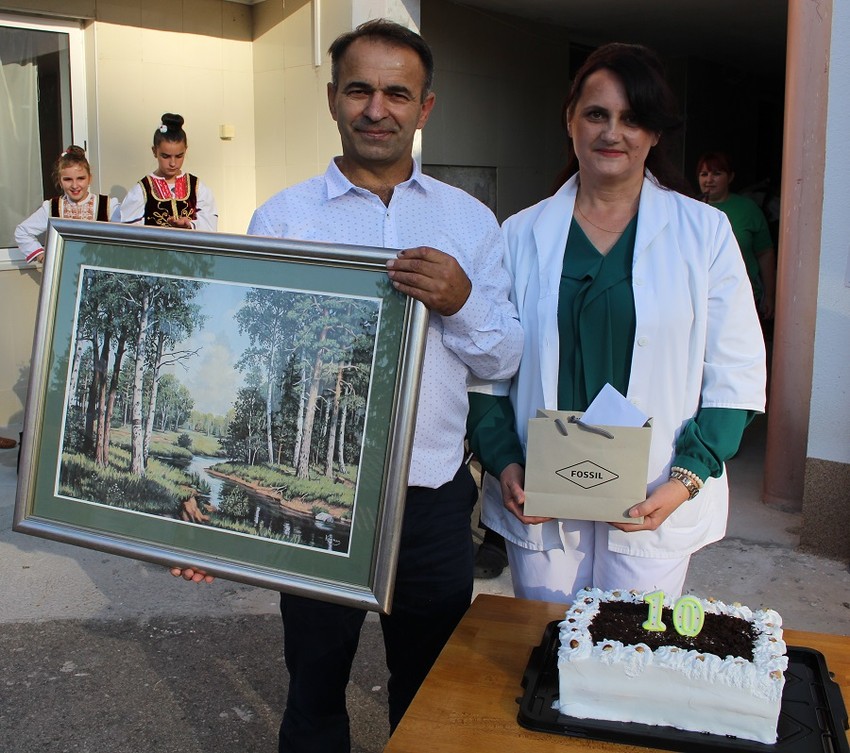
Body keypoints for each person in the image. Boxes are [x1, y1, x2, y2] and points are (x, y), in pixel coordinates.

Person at [173, 19, 522, 752]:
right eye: (360, 90)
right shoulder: (284, 220)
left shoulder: (468, 221)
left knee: (430, 695)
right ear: (333, 98)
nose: (377, 109)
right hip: (324, 509)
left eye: (398, 93)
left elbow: (502, 361)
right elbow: (249, 369)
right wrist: (204, 526)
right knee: (313, 686)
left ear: (425, 107)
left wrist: (460, 301)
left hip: (432, 500)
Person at [467, 43, 766, 605]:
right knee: (546, 639)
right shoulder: (519, 234)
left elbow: (737, 370)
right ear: (570, 121)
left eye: (633, 119)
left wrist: (687, 478)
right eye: (597, 114)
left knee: (629, 645)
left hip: (654, 490)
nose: (613, 133)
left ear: (654, 133)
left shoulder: (704, 233)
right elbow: (487, 366)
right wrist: (503, 461)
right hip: (541, 491)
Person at [697, 151, 777, 320]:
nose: (709, 180)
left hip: (743, 298)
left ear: (730, 177)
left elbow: (765, 252)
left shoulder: (748, 209)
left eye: (717, 174)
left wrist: (769, 296)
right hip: (700, 300)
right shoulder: (690, 209)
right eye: (704, 174)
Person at [15, 145, 120, 265]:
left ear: (89, 179)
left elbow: (131, 230)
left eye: (81, 178)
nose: (75, 185)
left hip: (99, 271)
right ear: (60, 181)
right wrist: (42, 256)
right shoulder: (52, 207)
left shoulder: (107, 205)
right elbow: (22, 232)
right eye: (68, 179)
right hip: (65, 273)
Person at [120, 113, 218, 230]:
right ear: (154, 151)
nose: (172, 163)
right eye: (165, 156)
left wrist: (190, 225)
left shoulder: (197, 187)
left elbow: (210, 225)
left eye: (179, 156)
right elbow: (129, 231)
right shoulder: (142, 190)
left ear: (185, 151)